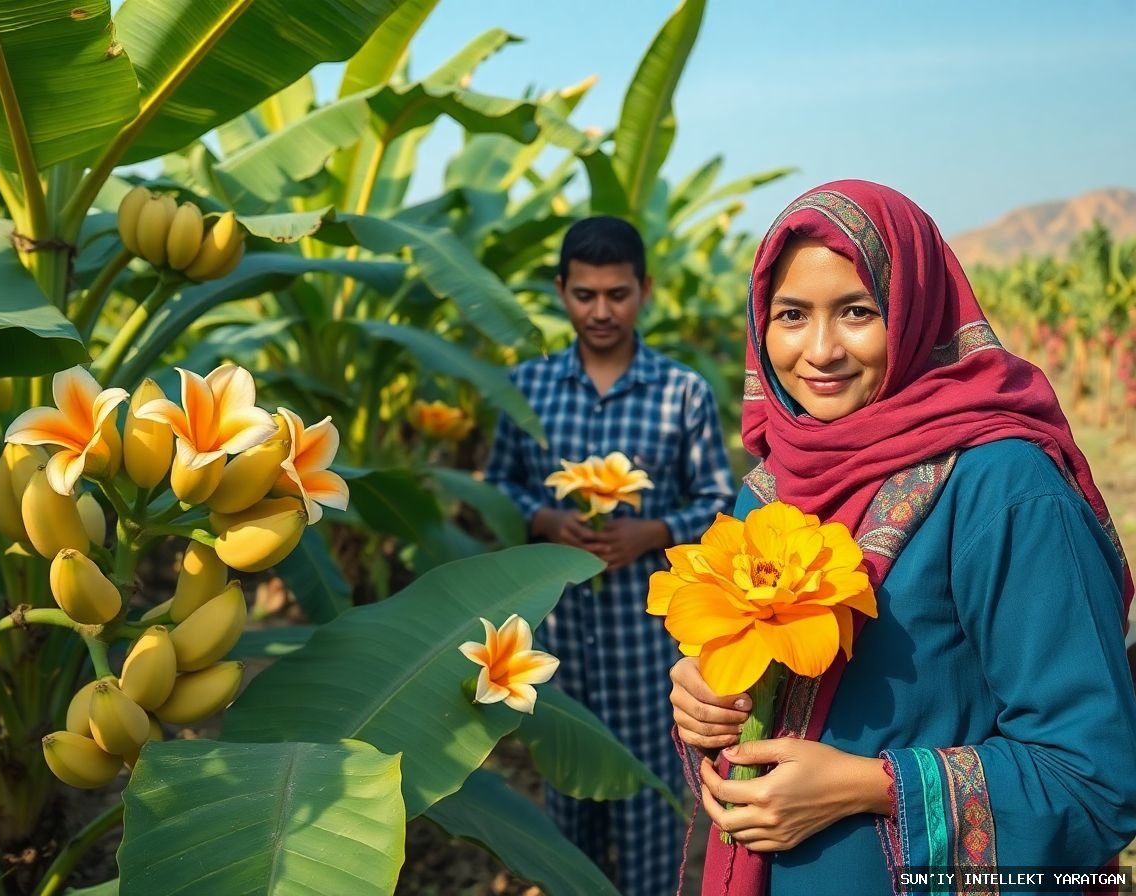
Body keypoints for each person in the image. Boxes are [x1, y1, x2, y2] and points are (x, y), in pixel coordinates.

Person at [666, 179, 1136, 895]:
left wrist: (867, 786)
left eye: (857, 312)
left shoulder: (1003, 488)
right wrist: (707, 700)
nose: (819, 350)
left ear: (915, 311)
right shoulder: (770, 486)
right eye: (792, 315)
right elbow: (765, 691)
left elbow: (1096, 775)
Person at [485, 215, 736, 894]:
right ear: (561, 290)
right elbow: (494, 486)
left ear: (645, 290)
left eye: (617, 294)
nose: (601, 311)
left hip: (646, 650)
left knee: (652, 814)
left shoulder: (681, 392)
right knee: (568, 814)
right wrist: (543, 517)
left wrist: (652, 533)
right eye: (585, 294)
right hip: (557, 644)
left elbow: (720, 500)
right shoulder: (527, 390)